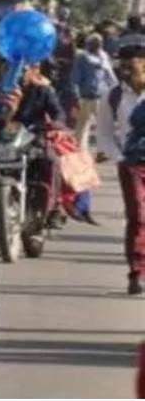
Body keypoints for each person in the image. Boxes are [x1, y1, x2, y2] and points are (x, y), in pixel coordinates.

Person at [98, 34, 145, 295]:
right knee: (138, 216)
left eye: (134, 61)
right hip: (132, 164)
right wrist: (119, 158)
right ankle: (136, 271)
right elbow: (104, 133)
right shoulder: (113, 96)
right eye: (124, 62)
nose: (127, 67)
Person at [71, 33, 116, 152]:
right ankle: (80, 150)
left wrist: (115, 89)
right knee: (84, 125)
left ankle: (99, 149)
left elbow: (109, 75)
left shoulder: (103, 56)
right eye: (95, 43)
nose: (98, 45)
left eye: (99, 43)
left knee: (93, 124)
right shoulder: (83, 57)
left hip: (99, 95)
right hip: (87, 96)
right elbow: (75, 78)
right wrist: (76, 96)